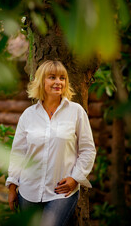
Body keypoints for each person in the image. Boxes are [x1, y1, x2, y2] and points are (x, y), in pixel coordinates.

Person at [6, 60, 96, 226]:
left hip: (61, 192)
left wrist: (75, 178)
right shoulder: (28, 115)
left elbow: (88, 150)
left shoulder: (76, 112)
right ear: (42, 81)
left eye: (62, 78)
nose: (58, 82)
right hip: (28, 191)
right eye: (52, 77)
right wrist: (12, 187)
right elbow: (18, 153)